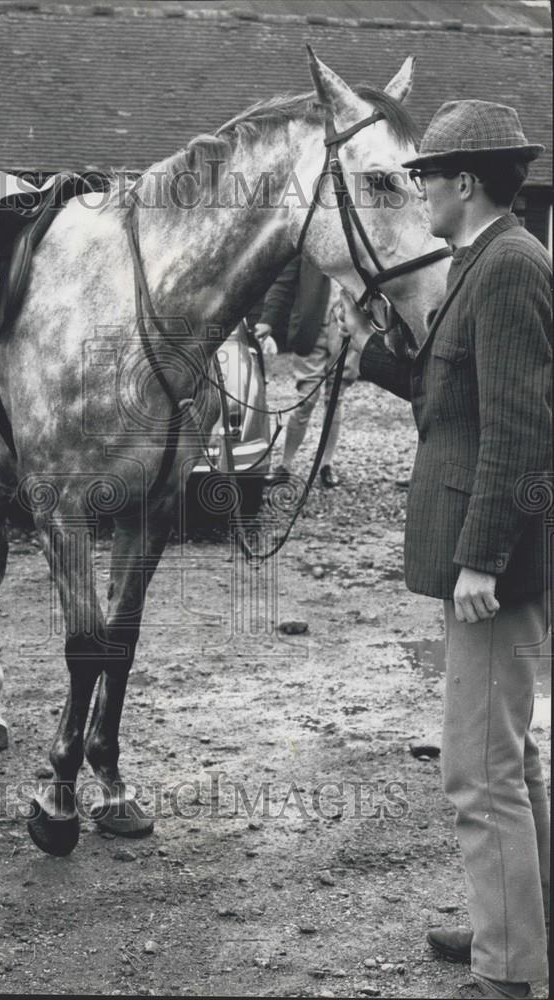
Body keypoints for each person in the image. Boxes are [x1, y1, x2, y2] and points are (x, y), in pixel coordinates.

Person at [338, 102, 551, 1000]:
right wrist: (370, 356)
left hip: (494, 560)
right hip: (488, 547)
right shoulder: (485, 259)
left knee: (478, 772)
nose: (415, 188)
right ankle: (522, 923)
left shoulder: (507, 269)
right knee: (510, 759)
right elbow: (450, 390)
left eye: (425, 175)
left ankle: (508, 971)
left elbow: (516, 427)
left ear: (466, 183)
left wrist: (482, 559)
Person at [254, 254, 360, 488]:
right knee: (306, 400)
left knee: (335, 398)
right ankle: (285, 465)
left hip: (347, 330)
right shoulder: (309, 243)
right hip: (310, 330)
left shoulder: (361, 237)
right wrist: (268, 320)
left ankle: (326, 465)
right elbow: (284, 282)